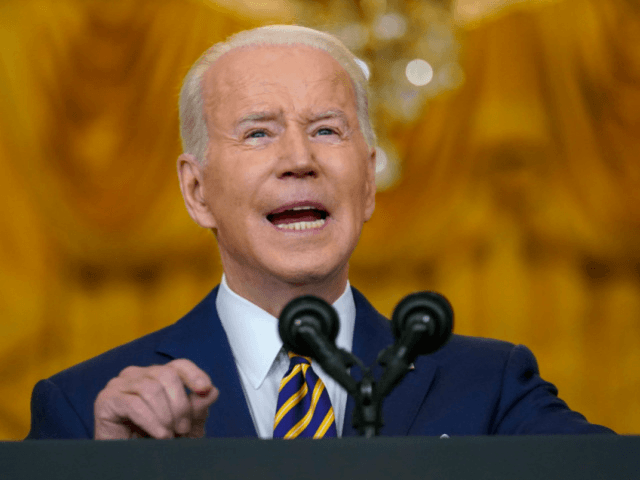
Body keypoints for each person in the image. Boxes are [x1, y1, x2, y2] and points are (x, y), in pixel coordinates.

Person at [26, 25, 613, 440]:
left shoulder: (491, 388)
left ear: (367, 184)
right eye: (258, 133)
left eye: (328, 130)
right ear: (196, 191)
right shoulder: (88, 409)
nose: (299, 159)